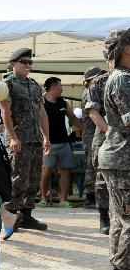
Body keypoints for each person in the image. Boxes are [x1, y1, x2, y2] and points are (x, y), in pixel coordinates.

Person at [0, 48, 51, 231]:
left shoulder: (35, 85)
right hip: (19, 139)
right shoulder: (7, 84)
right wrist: (12, 137)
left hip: (35, 139)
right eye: (24, 62)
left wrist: (46, 137)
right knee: (18, 178)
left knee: (33, 179)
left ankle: (27, 216)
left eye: (30, 62)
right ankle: (10, 217)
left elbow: (42, 113)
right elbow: (5, 112)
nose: (28, 65)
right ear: (13, 63)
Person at [97, 29, 130, 270]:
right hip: (123, 158)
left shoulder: (118, 77)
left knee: (121, 219)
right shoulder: (124, 79)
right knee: (127, 219)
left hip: (119, 157)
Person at [39, 77, 81, 207]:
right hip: (47, 143)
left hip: (64, 142)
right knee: (46, 170)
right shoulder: (40, 101)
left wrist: (82, 130)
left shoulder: (63, 102)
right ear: (52, 88)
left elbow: (72, 117)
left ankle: (63, 200)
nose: (62, 89)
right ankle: (43, 198)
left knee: (66, 169)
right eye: (60, 86)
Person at [85, 46, 114, 235]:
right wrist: (110, 132)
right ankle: (104, 217)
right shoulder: (99, 82)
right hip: (105, 136)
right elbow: (93, 112)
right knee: (102, 179)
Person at [80, 67, 105, 209]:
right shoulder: (88, 93)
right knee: (92, 165)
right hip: (91, 135)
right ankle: (90, 196)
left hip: (92, 133)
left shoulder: (92, 91)